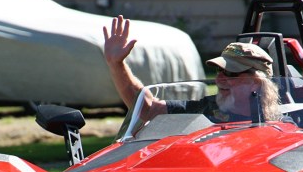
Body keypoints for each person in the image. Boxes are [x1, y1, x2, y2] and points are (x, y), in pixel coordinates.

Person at [103, 15, 281, 122]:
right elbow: (148, 109)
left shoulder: (278, 123)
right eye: (219, 71)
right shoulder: (208, 108)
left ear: (256, 83)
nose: (219, 79)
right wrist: (116, 65)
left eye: (230, 73)